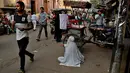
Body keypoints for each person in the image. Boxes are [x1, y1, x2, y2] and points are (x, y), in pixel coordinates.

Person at [11, 1, 34, 73]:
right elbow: (12, 29)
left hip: (25, 37)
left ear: (22, 7)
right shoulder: (14, 16)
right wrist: (12, 24)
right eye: (16, 6)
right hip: (18, 38)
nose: (16, 7)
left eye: (18, 6)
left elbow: (31, 26)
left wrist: (24, 29)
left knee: (21, 52)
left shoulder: (27, 16)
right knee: (22, 51)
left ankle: (22, 68)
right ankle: (31, 55)